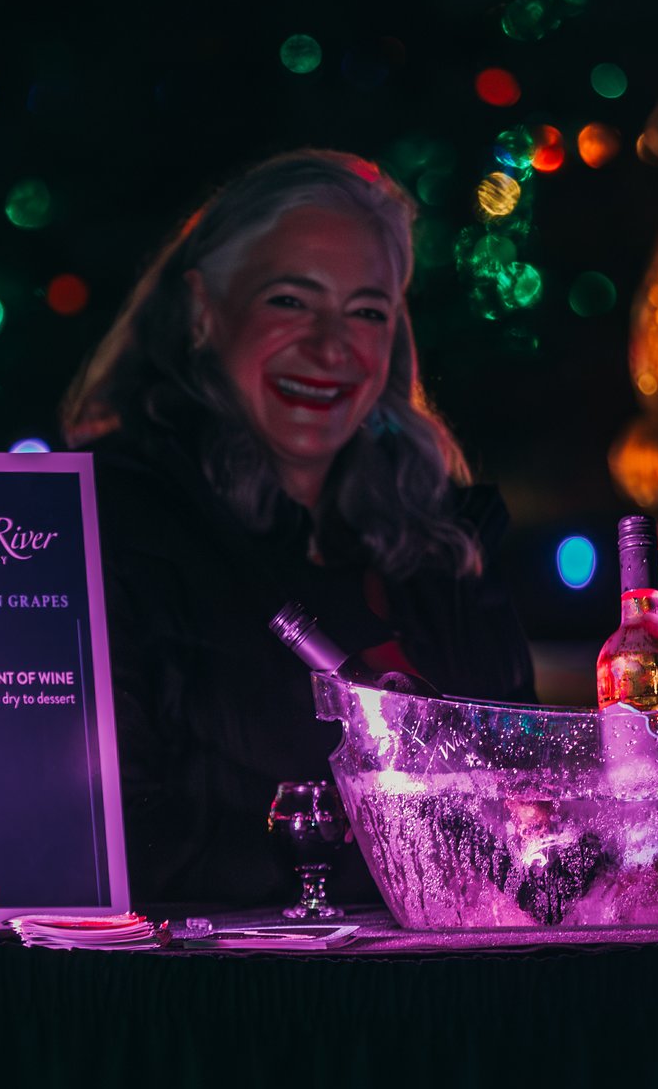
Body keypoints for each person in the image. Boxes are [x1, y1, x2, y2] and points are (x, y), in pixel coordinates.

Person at [64, 150, 537, 907]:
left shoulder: (447, 545)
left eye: (367, 311)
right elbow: (119, 847)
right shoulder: (113, 527)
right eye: (290, 301)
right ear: (202, 310)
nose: (331, 348)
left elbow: (531, 814)